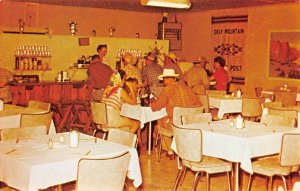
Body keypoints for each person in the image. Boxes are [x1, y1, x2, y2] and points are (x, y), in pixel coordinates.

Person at [151, 69, 201, 158]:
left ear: (170, 79)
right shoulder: (187, 88)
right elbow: (199, 104)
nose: (164, 81)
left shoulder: (167, 90)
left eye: (165, 79)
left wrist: (152, 101)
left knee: (160, 123)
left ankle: (170, 151)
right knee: (165, 118)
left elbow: (157, 107)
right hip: (190, 122)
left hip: (175, 124)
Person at [101, 70, 140, 135]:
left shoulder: (107, 89)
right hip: (111, 118)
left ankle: (119, 141)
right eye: (124, 79)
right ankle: (127, 144)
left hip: (102, 119)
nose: (124, 82)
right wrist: (131, 88)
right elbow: (134, 103)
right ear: (119, 79)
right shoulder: (119, 90)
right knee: (136, 124)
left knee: (127, 126)